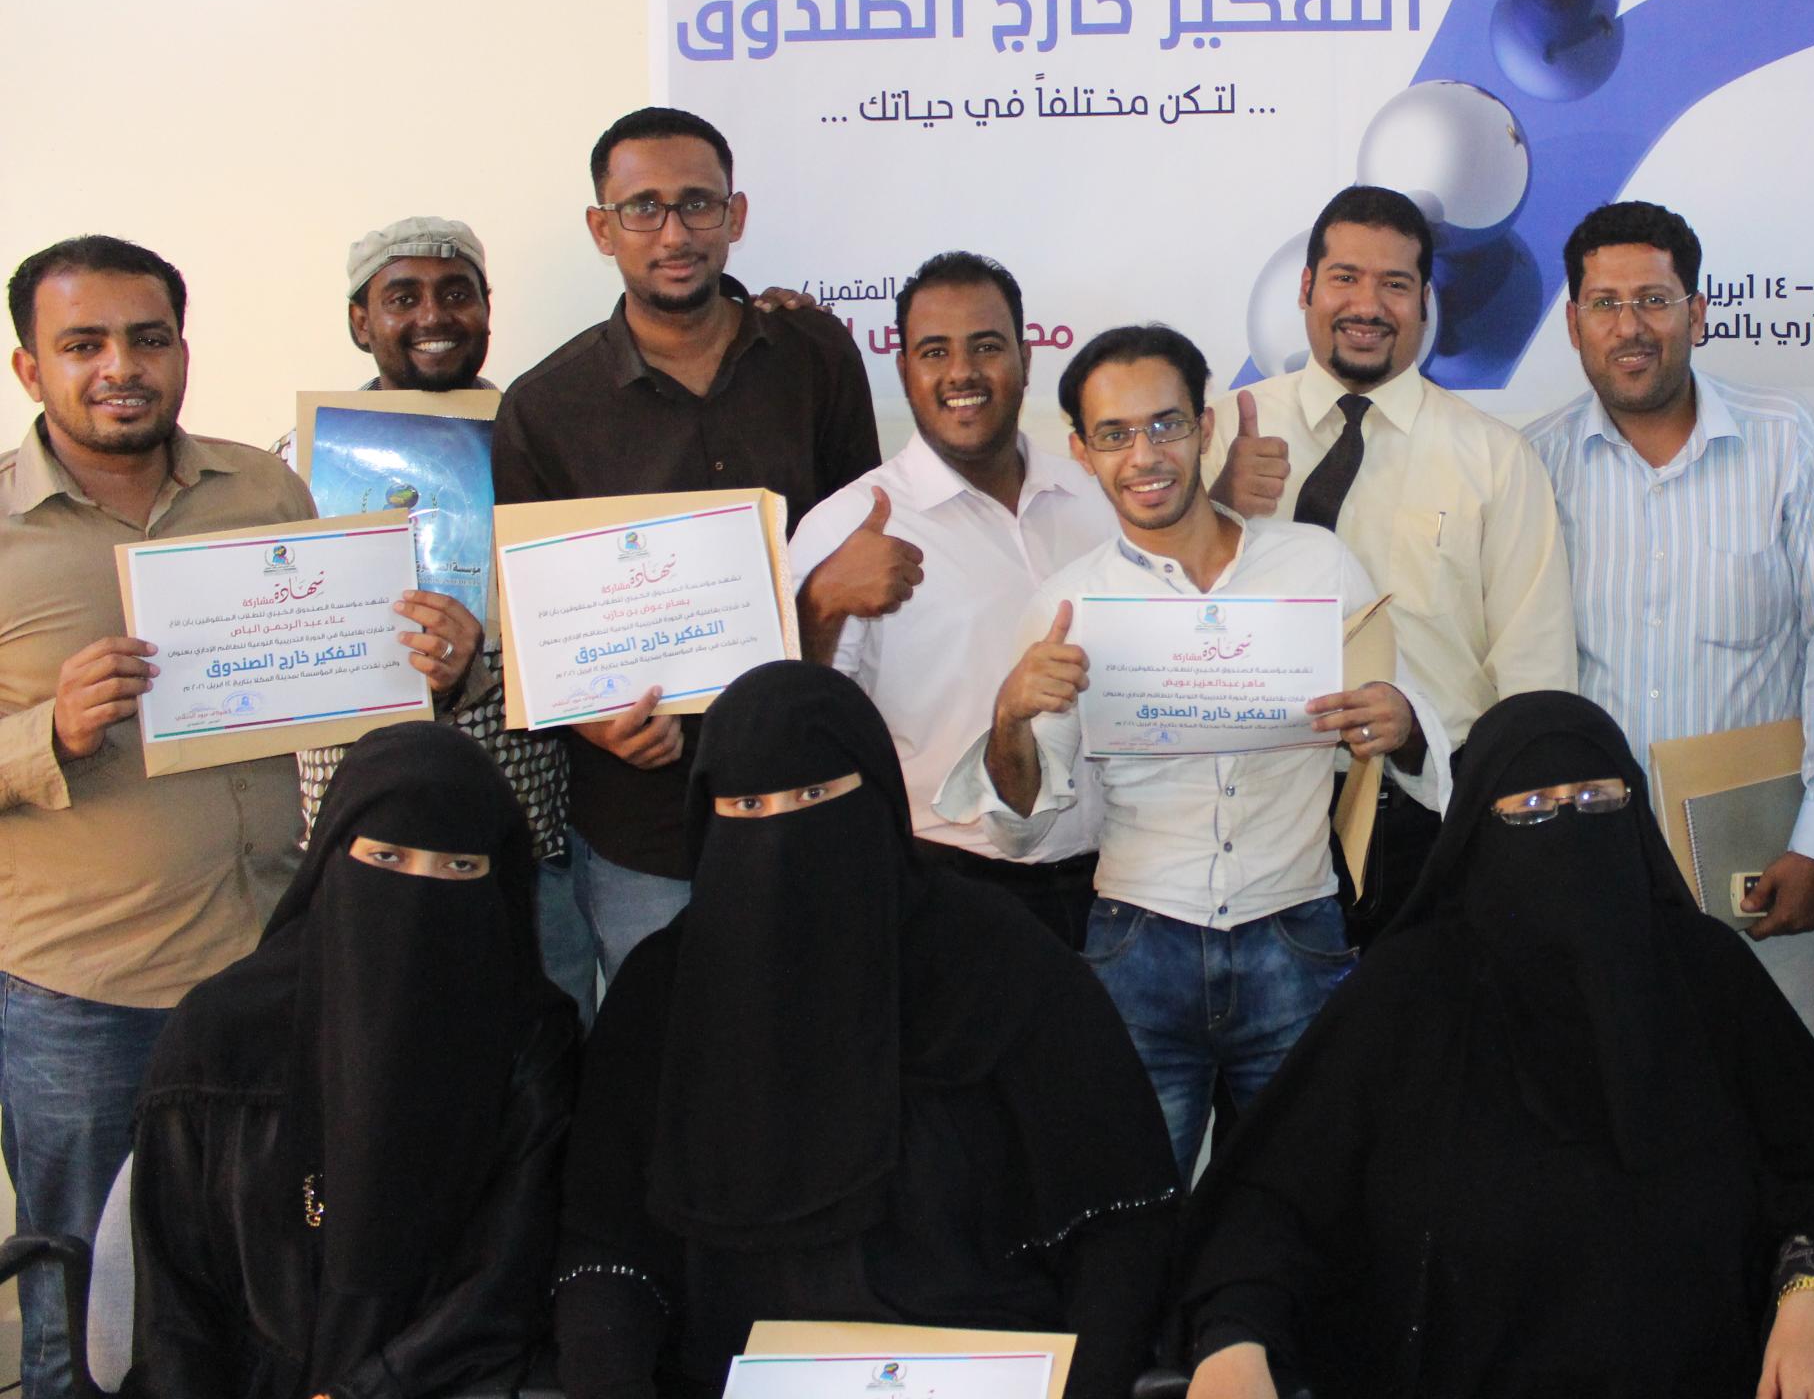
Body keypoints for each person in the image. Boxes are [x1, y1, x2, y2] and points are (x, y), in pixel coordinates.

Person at [1175, 692, 1814, 1399]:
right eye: (1533, 809)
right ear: (1478, 828)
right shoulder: (1406, 994)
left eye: (1598, 801)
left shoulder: (1704, 975)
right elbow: (1275, 1197)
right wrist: (1235, 1341)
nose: (1568, 829)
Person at [553, 662, 1176, 1399]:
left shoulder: (995, 961)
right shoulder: (663, 992)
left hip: (984, 1363)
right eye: (747, 805)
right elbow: (605, 1249)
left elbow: (1119, 1217)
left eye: (815, 796)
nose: (781, 831)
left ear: (876, 794)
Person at [939, 325, 1450, 1177]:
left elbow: (1403, 740)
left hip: (1297, 933)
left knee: (1313, 1200)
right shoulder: (1069, 604)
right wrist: (1009, 719)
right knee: (1132, 1204)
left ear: (1204, 427)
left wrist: (1400, 721)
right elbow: (1022, 828)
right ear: (1082, 451)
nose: (1145, 455)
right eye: (1115, 435)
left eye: (1166, 425)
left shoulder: (1316, 566)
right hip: (1138, 946)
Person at [0, 237, 363, 1399]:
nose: (121, 367)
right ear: (29, 368)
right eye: (83, 344)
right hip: (83, 996)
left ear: (182, 352)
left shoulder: (262, 491)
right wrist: (49, 732)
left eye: (147, 338)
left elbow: (331, 676)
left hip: (264, 966)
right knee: (84, 1313)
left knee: (260, 1286)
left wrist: (416, 660)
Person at [491, 107, 879, 993]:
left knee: (819, 1033)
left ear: (735, 216)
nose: (674, 233)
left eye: (698, 204)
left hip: (807, 788)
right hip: (643, 826)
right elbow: (532, 630)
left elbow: (860, 542)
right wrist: (591, 716)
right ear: (603, 229)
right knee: (661, 1051)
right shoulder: (544, 408)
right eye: (644, 208)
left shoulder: (815, 357)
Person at [124, 723, 578, 1399]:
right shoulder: (222, 1037)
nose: (419, 893)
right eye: (387, 858)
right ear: (331, 858)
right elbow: (176, 1305)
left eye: (459, 868)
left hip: (446, 1382)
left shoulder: (529, 1041)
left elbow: (505, 1279)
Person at [1524, 202, 1814, 1034]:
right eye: (1605, 304)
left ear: (1698, 313)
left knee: (1767, 1100)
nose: (1630, 327)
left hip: (1758, 868)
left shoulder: (1786, 441)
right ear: (1573, 324)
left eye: (1655, 300)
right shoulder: (1533, 464)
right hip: (1588, 874)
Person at [1209, 184, 1574, 930]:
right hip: (1242, 814)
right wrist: (1215, 510)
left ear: (1426, 302)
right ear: (1305, 288)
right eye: (1345, 277)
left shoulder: (1495, 459)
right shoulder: (1220, 434)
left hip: (1429, 820)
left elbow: (1535, 682)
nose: (1367, 305)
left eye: (1396, 284)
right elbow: (1146, 621)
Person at [284, 214, 595, 1014]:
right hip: (361, 847)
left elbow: (592, 622)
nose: (433, 316)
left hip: (525, 839)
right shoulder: (295, 467)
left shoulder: (547, 446)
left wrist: (480, 671)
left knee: (541, 1059)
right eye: (402, 297)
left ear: (488, 310)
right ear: (360, 322)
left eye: (457, 294)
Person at [789, 252, 1110, 945]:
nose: (962, 372)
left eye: (986, 347)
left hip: (1120, 891)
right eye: (935, 352)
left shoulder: (1099, 498)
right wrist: (823, 604)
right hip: (949, 894)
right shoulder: (845, 527)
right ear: (904, 369)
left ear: (1027, 358)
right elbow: (796, 732)